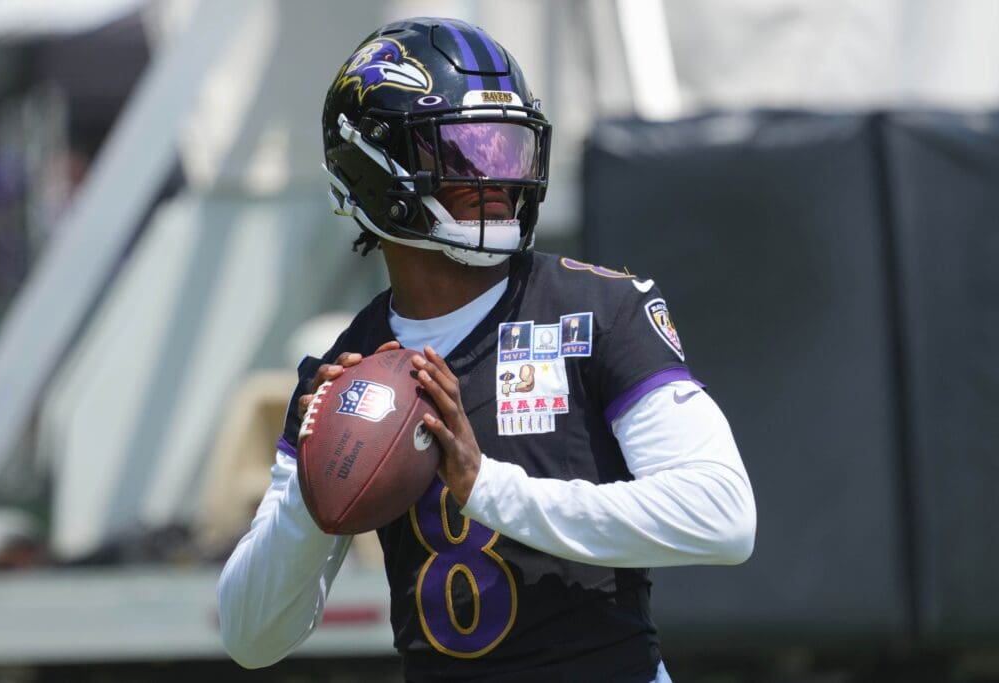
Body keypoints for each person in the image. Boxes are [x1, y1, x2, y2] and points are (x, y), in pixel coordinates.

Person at [217, 17, 756, 683]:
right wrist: (313, 486)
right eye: (468, 153)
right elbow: (249, 636)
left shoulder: (598, 309)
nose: (499, 180)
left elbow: (723, 515)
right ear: (375, 166)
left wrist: (488, 487)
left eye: (509, 149)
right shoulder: (345, 368)